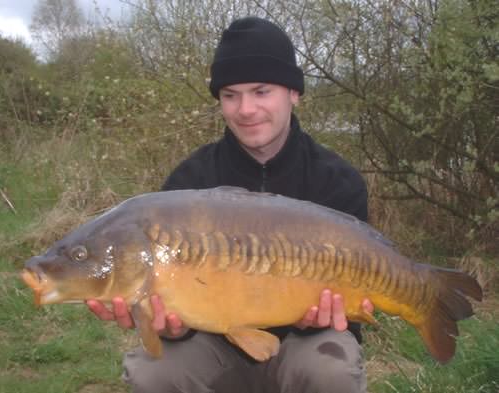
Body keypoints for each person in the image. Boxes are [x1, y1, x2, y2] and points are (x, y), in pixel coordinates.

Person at [87, 16, 374, 393]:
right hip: (212, 345)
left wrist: (322, 318)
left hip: (302, 346)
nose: (246, 109)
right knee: (152, 371)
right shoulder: (187, 184)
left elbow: (352, 307)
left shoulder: (337, 181)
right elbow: (175, 308)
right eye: (230, 95)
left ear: (294, 92)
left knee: (331, 369)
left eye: (260, 90)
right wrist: (174, 326)